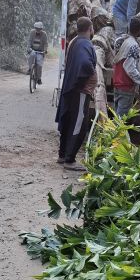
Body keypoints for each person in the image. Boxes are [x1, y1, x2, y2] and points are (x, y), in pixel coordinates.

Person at [56, 16, 97, 171]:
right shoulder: (85, 44)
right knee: (78, 125)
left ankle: (62, 155)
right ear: (90, 28)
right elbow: (85, 64)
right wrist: (86, 81)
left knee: (68, 121)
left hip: (70, 90)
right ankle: (70, 159)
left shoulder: (74, 42)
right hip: (80, 91)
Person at [113, 16, 140, 117]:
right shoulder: (134, 46)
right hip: (126, 86)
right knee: (120, 121)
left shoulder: (119, 40)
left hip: (117, 84)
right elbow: (129, 67)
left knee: (116, 116)